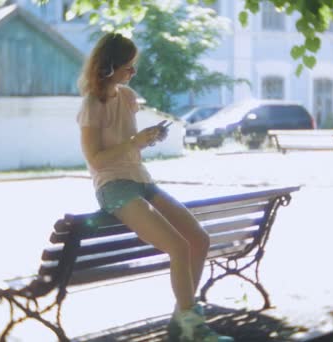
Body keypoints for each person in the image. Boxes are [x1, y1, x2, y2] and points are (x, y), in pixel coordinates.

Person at [76, 32, 234, 342]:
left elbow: (127, 148)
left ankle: (181, 321)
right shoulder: (91, 104)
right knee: (178, 247)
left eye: (134, 67)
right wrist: (134, 141)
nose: (132, 73)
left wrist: (145, 140)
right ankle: (195, 327)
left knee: (198, 240)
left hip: (141, 180)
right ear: (108, 66)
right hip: (113, 186)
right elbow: (95, 159)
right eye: (128, 66)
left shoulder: (128, 97)